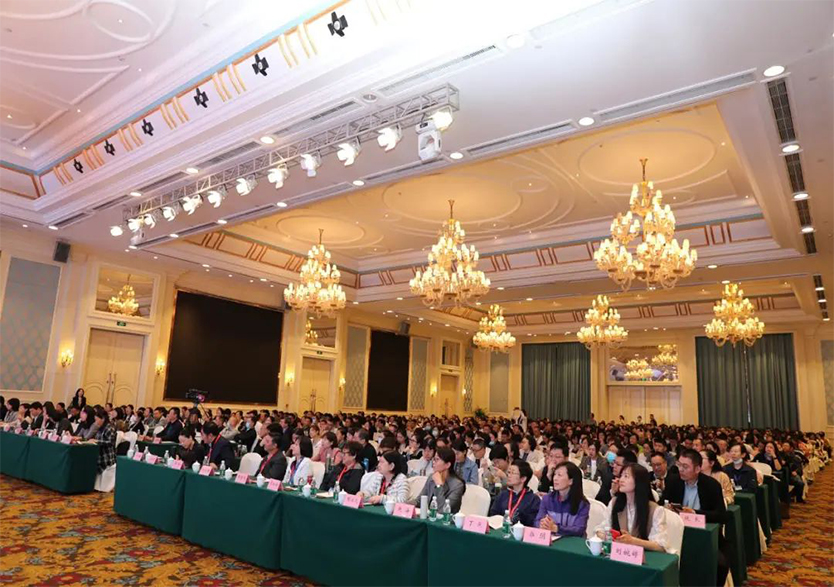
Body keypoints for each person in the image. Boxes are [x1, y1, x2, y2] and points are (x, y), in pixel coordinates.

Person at [595, 463, 668, 552]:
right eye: (621, 476)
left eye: (626, 476)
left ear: (639, 481)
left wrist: (633, 541)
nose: (621, 480)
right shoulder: (614, 503)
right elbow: (601, 529)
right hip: (619, 554)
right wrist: (608, 537)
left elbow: (661, 546)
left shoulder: (655, 510)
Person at [534, 462, 589, 536]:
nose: (555, 478)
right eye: (555, 474)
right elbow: (537, 521)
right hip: (552, 538)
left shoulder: (582, 504)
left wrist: (556, 528)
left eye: (559, 475)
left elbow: (579, 529)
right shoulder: (547, 499)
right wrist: (542, 524)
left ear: (571, 481)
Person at [414, 447, 466, 514]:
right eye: (434, 459)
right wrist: (404, 504)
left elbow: (442, 510)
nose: (433, 462)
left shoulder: (457, 485)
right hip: (431, 517)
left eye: (437, 459)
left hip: (447, 519)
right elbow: (419, 501)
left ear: (447, 465)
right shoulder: (432, 478)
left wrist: (439, 485)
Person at [489, 460, 541, 527]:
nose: (509, 475)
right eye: (509, 472)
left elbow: (532, 523)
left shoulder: (533, 500)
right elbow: (493, 515)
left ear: (523, 478)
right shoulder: (503, 494)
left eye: (513, 473)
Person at [92, 408, 117, 474]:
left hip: (107, 459)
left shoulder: (109, 428)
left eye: (97, 420)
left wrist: (96, 441)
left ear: (103, 419)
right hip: (100, 456)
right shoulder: (100, 428)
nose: (95, 422)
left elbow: (110, 442)